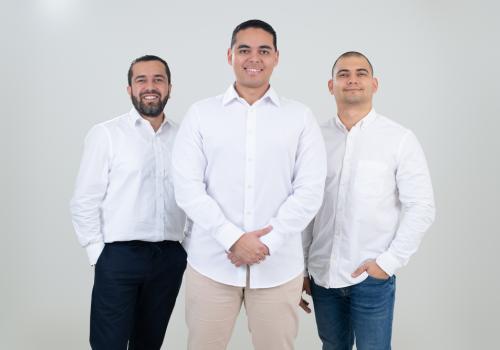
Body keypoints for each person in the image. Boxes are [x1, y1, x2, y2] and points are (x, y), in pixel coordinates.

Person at [172, 19, 327, 350]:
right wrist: (232, 239)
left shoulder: (300, 117)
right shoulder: (201, 115)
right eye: (244, 50)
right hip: (211, 265)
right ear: (230, 55)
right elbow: (187, 187)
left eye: (263, 51)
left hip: (277, 267)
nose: (253, 58)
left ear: (276, 57)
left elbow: (310, 190)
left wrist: (266, 244)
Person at [301, 51, 435, 350]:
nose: (352, 80)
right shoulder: (313, 139)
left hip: (371, 278)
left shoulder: (399, 139)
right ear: (330, 85)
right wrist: (301, 266)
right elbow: (305, 207)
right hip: (322, 276)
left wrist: (388, 263)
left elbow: (422, 206)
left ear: (374, 84)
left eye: (361, 73)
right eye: (343, 74)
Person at [70, 55, 187, 350]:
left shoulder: (185, 137)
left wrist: (185, 248)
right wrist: (99, 254)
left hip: (169, 258)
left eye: (158, 80)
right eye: (142, 80)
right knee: (108, 343)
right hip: (119, 258)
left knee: (149, 343)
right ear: (129, 89)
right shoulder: (107, 134)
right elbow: (84, 200)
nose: (150, 86)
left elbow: (196, 196)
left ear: (170, 87)